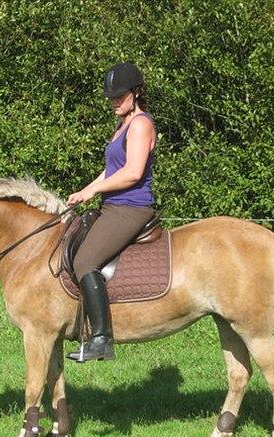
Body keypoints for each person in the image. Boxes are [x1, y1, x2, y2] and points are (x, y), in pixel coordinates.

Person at [66, 61, 157, 362]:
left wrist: (94, 191)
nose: (114, 101)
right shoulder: (121, 127)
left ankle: (102, 339)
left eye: (119, 95)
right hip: (114, 205)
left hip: (132, 207)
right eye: (110, 96)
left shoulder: (141, 124)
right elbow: (110, 172)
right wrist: (84, 191)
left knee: (85, 260)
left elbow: (132, 173)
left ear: (136, 93)